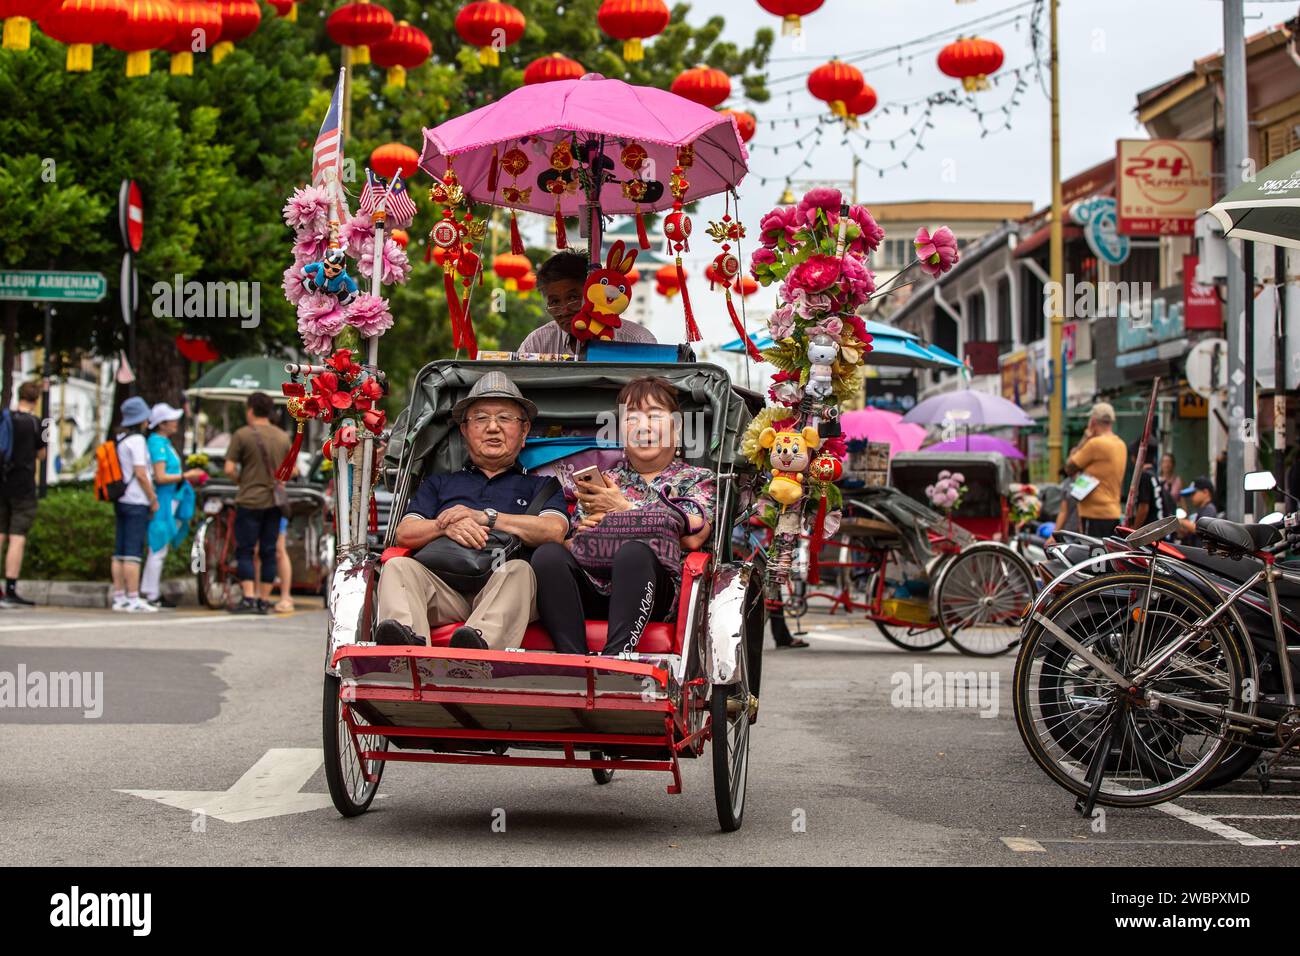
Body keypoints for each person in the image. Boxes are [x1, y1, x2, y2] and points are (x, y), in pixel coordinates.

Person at [374, 372, 569, 648]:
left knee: (519, 572)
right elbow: (404, 533)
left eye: (504, 418)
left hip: (506, 591)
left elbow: (554, 532)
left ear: (524, 431)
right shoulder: (440, 483)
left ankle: (475, 649)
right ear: (464, 430)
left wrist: (486, 517)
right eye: (480, 418)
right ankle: (408, 651)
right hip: (445, 589)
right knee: (397, 566)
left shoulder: (542, 486)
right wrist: (444, 526)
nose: (492, 427)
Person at [532, 376, 715, 656]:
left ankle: (615, 659)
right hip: (596, 582)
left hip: (655, 591)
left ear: (677, 430)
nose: (643, 427)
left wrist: (623, 510)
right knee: (547, 555)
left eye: (654, 416)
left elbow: (693, 536)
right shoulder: (604, 480)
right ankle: (574, 661)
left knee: (634, 553)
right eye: (632, 419)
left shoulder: (696, 479)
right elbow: (583, 536)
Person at [223, 391, 291, 615]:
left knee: (245, 550)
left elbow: (229, 469)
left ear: (250, 410)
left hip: (249, 500)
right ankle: (264, 600)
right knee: (269, 551)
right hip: (274, 502)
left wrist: (242, 481)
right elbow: (289, 471)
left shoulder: (242, 435)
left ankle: (249, 598)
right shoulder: (283, 437)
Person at [518, 249, 657, 354]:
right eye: (554, 302)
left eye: (573, 298)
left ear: (593, 293)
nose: (565, 310)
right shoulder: (537, 343)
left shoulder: (637, 340)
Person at [141, 403, 206, 608]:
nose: (176, 423)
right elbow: (160, 477)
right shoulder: (157, 443)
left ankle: (151, 591)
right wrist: (187, 475)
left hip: (172, 498)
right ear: (162, 424)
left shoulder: (163, 442)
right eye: (172, 420)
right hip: (164, 500)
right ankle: (150, 593)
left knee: (160, 546)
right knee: (158, 546)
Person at [110, 397, 160, 613]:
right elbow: (141, 473)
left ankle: (119, 596)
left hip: (121, 499)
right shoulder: (138, 441)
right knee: (132, 552)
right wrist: (152, 498)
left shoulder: (121, 438)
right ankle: (133, 598)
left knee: (119, 551)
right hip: (136, 500)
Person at [0, 381, 47, 607]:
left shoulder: (5, 417)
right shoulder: (37, 423)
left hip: (2, 482)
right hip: (23, 485)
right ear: (36, 400)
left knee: (0, 533)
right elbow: (42, 453)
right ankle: (10, 588)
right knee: (17, 537)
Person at [1065, 402, 1127, 538]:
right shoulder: (1121, 444)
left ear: (1092, 422)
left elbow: (1069, 467)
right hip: (1113, 512)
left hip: (1094, 514)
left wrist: (1085, 438)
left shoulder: (1095, 444)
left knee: (1093, 557)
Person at [1131, 443, 1173, 528]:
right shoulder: (1153, 475)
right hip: (1158, 527)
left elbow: (1144, 507)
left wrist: (1134, 530)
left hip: (1150, 531)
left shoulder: (1145, 476)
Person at [1177, 476, 1218, 547]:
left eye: (1193, 494)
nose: (1191, 497)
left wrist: (1181, 521)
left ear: (1205, 492)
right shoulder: (1199, 511)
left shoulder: (1209, 508)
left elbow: (1201, 529)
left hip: (1202, 555)